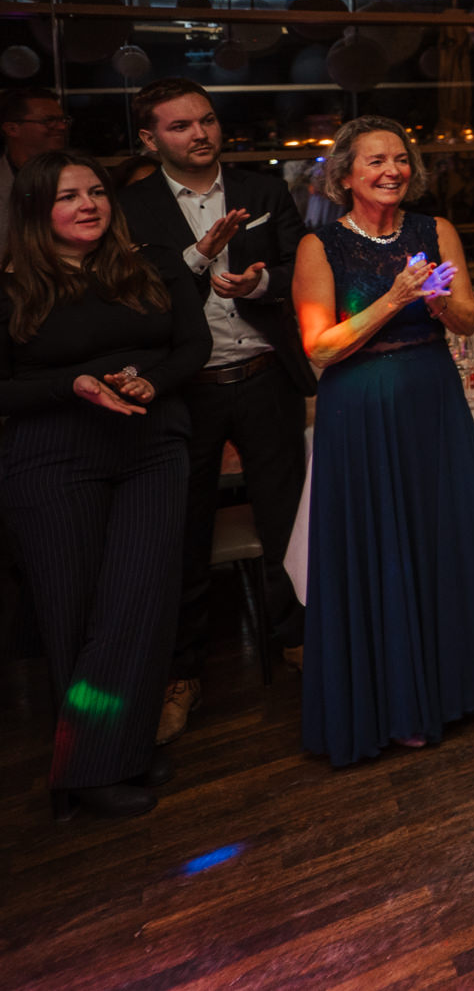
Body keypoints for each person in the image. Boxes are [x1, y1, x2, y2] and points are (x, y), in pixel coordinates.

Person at [292, 116, 474, 767]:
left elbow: (470, 318)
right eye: (376, 161)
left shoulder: (436, 231)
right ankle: (396, 705)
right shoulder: (320, 246)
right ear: (345, 175)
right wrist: (393, 297)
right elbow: (319, 347)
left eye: (400, 159)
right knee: (383, 550)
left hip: (433, 398)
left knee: (448, 534)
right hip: (361, 412)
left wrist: (437, 302)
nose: (392, 170)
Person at [1, 151, 209, 818]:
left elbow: (192, 344)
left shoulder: (151, 262)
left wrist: (156, 381)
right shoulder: (10, 287)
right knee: (77, 611)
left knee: (140, 601)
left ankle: (100, 757)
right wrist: (72, 383)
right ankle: (99, 760)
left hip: (151, 444)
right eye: (68, 196)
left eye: (96, 191)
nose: (88, 204)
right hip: (52, 455)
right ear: (37, 210)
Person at [119, 79, 314, 745]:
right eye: (180, 126)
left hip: (264, 374)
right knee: (184, 527)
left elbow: (300, 268)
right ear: (150, 138)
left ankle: (299, 640)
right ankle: (182, 671)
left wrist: (262, 281)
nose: (199, 133)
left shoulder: (261, 189)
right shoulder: (131, 207)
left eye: (206, 120)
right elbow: (135, 298)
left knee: (286, 516)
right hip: (186, 386)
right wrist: (196, 261)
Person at [1, 86, 72, 253]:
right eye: (49, 121)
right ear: (12, 129)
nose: (62, 127)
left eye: (63, 120)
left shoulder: (77, 176)